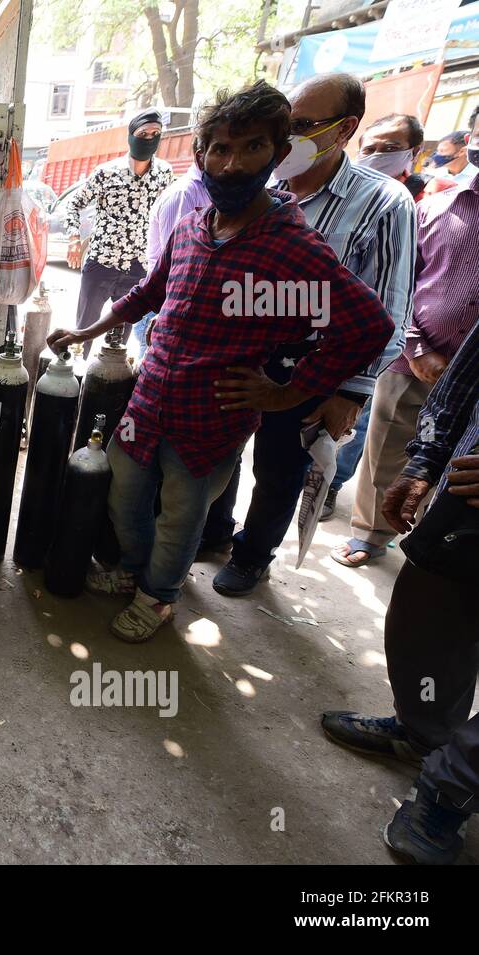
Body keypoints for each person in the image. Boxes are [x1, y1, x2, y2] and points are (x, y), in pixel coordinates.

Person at [46, 80, 393, 644]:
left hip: (212, 414)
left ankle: (158, 598)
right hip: (152, 395)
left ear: (278, 155)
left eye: (252, 147)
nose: (232, 165)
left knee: (182, 517)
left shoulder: (292, 246)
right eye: (220, 150)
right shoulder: (192, 226)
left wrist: (288, 393)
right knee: (124, 489)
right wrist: (89, 328)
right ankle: (135, 572)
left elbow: (370, 326)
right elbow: (149, 291)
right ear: (201, 154)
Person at [202, 74, 417, 597]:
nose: (286, 138)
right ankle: (214, 533)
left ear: (344, 130)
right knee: (220, 453)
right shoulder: (265, 189)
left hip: (311, 375)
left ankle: (253, 556)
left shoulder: (384, 203)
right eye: (283, 126)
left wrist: (350, 392)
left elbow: (389, 309)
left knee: (280, 470)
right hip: (244, 359)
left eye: (301, 127)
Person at [320, 319, 479, 865]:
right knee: (427, 615)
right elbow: (468, 373)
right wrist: (427, 459)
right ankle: (424, 731)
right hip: (470, 487)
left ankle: (451, 788)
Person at [331, 104, 479, 566]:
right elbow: (401, 285)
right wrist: (415, 345)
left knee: (460, 468)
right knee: (386, 448)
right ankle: (369, 534)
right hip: (416, 355)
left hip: (471, 376)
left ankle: (437, 540)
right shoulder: (436, 208)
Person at [321, 112, 427, 522]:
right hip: (312, 351)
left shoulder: (408, 201)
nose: (378, 156)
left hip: (373, 355)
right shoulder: (324, 194)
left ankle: (330, 487)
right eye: (372, 148)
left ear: (413, 154)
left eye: (391, 148)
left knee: (356, 432)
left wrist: (355, 386)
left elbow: (392, 302)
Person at [62, 109, 173, 355]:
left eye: (156, 134)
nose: (149, 138)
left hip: (137, 268)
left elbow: (167, 216)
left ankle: (107, 384)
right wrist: (73, 240)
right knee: (84, 331)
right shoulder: (106, 172)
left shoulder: (165, 174)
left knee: (118, 341)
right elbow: (74, 204)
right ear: (131, 136)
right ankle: (73, 380)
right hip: (102, 262)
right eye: (143, 133)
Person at [139, 160, 209, 355]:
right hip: (165, 306)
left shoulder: (213, 193)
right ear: (201, 155)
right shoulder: (184, 194)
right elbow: (177, 265)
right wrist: (165, 312)